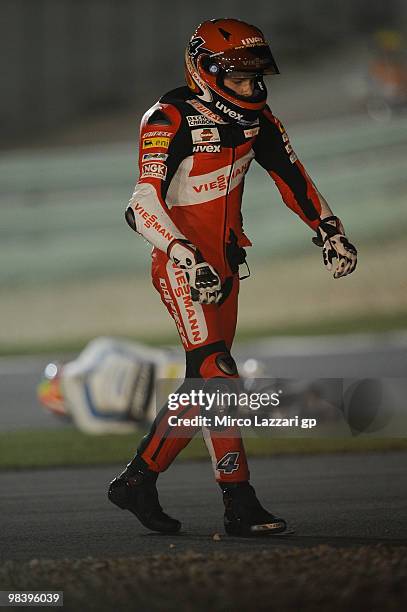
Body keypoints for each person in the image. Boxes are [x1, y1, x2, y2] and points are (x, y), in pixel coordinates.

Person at [108, 18, 357, 536]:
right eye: (239, 77)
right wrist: (180, 250)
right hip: (183, 267)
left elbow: (295, 179)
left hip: (226, 265)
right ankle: (239, 499)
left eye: (256, 76)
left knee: (206, 383)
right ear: (205, 71)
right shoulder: (168, 117)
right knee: (220, 374)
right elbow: (140, 202)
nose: (251, 87)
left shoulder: (260, 119)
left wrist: (328, 228)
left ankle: (138, 480)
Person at [37, 337, 184, 434]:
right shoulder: (98, 347)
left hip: (162, 408)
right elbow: (152, 353)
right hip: (169, 369)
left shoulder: (86, 422)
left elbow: (132, 426)